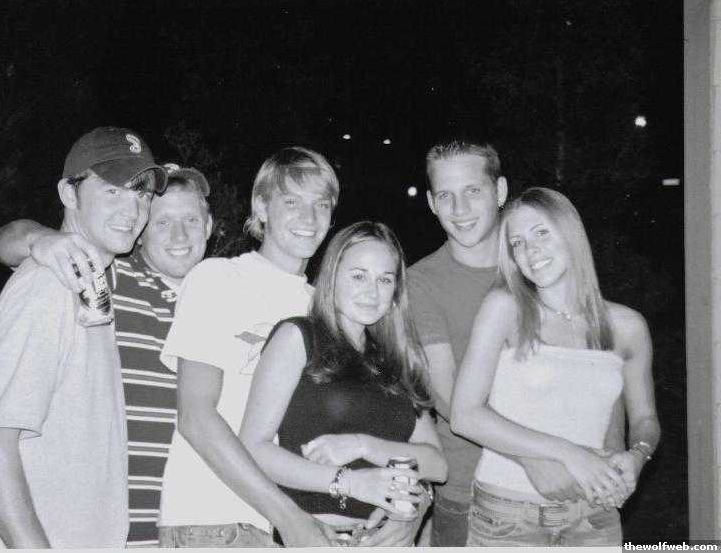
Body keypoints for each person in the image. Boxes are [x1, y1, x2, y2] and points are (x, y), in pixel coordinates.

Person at [0, 127, 167, 547]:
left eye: (142, 194)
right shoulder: (49, 285)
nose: (132, 209)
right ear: (69, 194)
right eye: (112, 190)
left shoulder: (91, 283)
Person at [407, 139, 627, 546]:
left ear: (500, 191)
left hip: (578, 480)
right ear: (432, 204)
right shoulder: (422, 282)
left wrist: (613, 454)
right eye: (445, 196)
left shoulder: (541, 261)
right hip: (473, 487)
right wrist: (531, 459)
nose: (460, 209)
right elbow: (447, 393)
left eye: (473, 191)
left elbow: (599, 370)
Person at [0, 163, 214, 547]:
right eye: (162, 222)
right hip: (115, 530)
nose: (179, 235)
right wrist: (40, 238)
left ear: (209, 226)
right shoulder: (106, 279)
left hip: (198, 527)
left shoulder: (224, 302)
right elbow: (2, 241)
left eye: (191, 220)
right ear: (140, 231)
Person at [451, 187, 660, 546]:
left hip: (595, 515)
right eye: (517, 243)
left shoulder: (628, 326)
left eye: (541, 233)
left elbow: (645, 419)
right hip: (509, 519)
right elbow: (465, 416)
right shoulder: (505, 309)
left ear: (570, 233)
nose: (530, 250)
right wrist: (571, 454)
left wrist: (637, 457)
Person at [157, 147, 342, 547]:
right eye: (291, 202)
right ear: (261, 207)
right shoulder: (219, 279)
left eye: (321, 204)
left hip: (303, 525)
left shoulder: (326, 308)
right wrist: (288, 517)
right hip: (214, 523)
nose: (309, 218)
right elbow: (195, 416)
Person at [239, 221, 447, 547]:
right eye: (358, 276)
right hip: (318, 536)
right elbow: (254, 448)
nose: (372, 291)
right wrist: (350, 482)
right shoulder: (298, 337)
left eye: (384, 279)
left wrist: (362, 446)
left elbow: (436, 465)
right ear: (332, 276)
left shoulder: (396, 358)